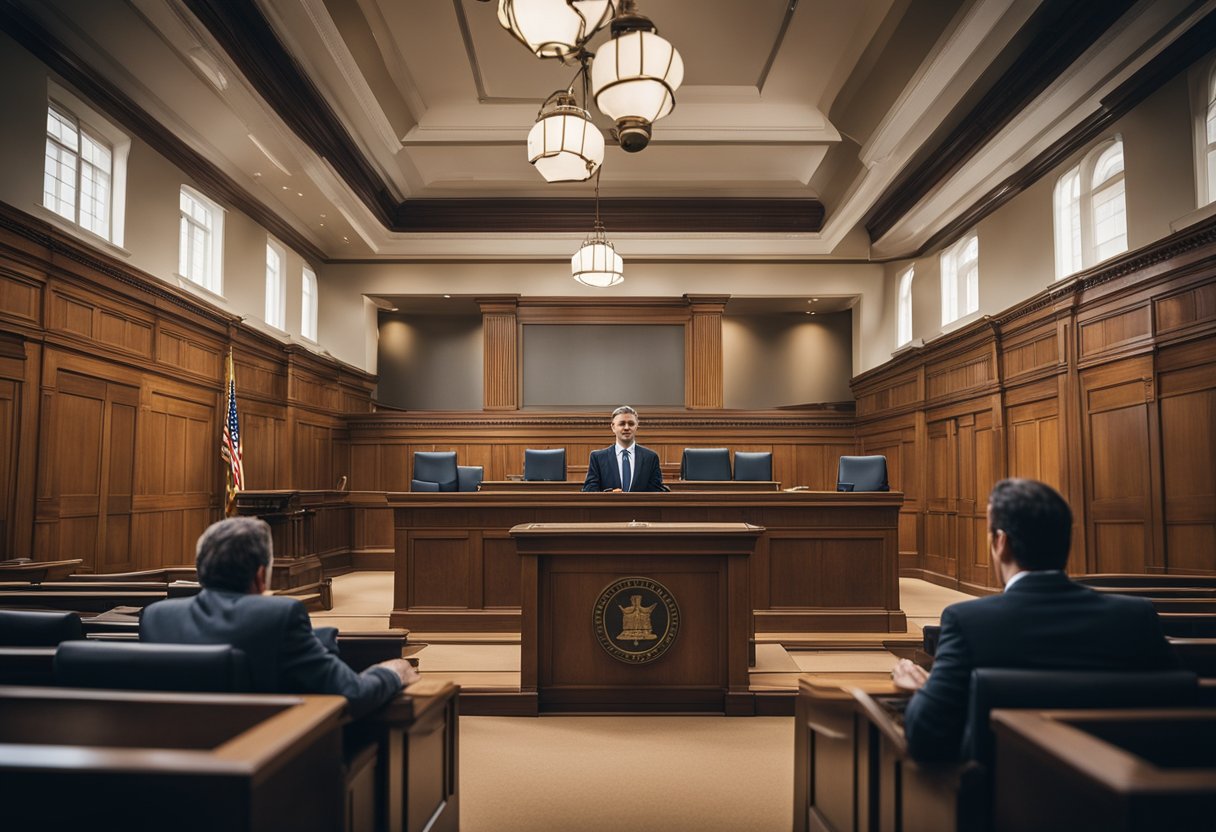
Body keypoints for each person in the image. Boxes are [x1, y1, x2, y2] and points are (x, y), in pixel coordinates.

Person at [892, 478, 1177, 762]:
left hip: (999, 796)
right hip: (1118, 789)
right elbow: (1175, 714)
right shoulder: (1135, 616)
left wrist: (926, 691)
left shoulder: (967, 621)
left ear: (1001, 542)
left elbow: (925, 734)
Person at [141, 516, 418, 717]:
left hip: (174, 760)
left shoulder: (156, 616)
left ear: (200, 569)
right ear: (261, 575)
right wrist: (392, 672)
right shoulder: (280, 614)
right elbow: (352, 694)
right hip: (264, 762)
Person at [582, 405, 665, 492]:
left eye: (631, 424)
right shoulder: (598, 458)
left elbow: (656, 492)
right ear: (613, 427)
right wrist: (608, 496)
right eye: (622, 424)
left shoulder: (650, 457)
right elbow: (589, 490)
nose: (626, 428)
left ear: (637, 426)